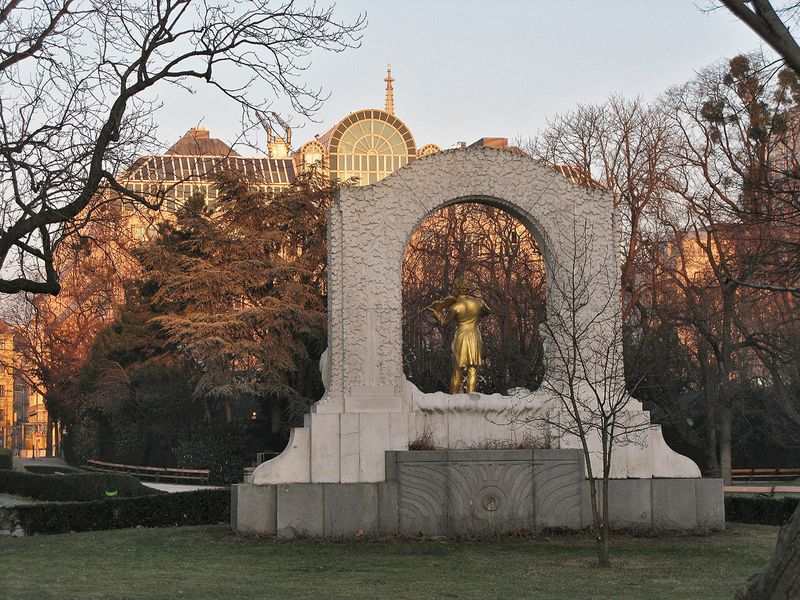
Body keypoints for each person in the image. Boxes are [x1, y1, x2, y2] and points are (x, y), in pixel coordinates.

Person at [425, 278, 491, 394]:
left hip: (461, 337)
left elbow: (444, 322)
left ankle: (453, 398)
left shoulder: (455, 307)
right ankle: (471, 397)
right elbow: (487, 311)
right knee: (473, 369)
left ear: (456, 290)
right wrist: (477, 316)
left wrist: (435, 312)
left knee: (457, 370)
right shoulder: (479, 302)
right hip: (475, 335)